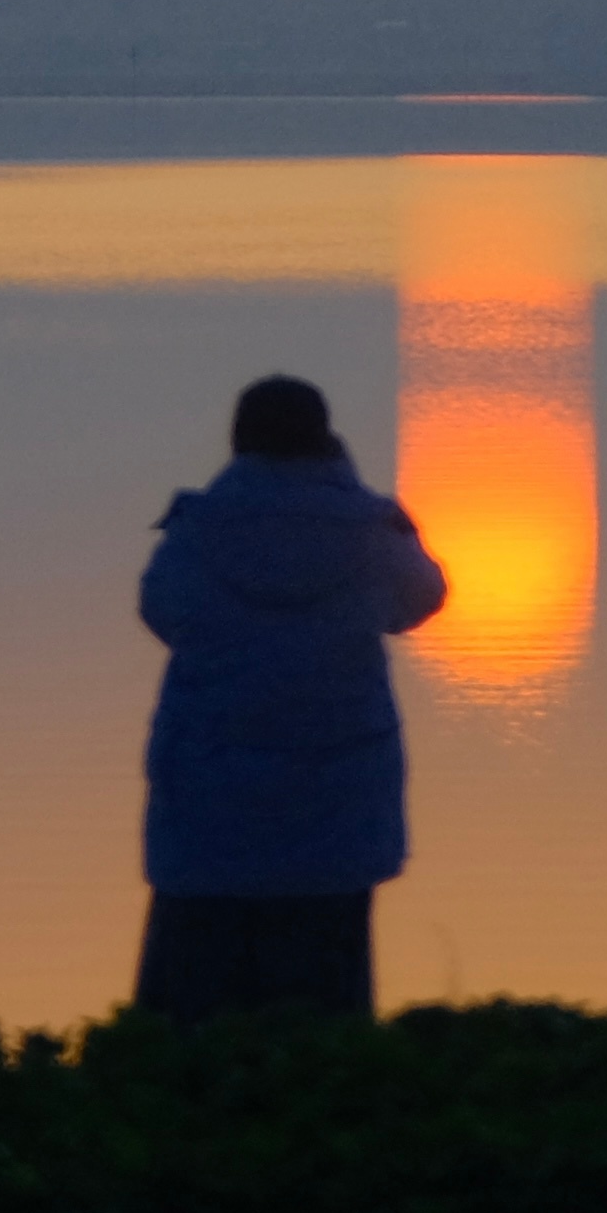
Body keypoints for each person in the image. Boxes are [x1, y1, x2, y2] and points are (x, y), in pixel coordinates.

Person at [133, 373, 451, 1023]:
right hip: (333, 809)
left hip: (209, 802)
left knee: (192, 1007)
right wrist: (355, 489)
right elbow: (421, 596)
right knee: (326, 1005)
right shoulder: (368, 529)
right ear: (323, 436)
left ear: (238, 440)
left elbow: (160, 609)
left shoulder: (197, 530)